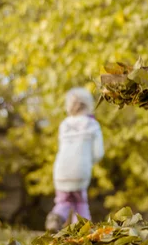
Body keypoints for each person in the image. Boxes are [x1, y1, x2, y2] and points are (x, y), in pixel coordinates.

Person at [45, 87, 104, 232]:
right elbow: (98, 152)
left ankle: (55, 218)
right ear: (88, 105)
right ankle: (83, 229)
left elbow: (62, 148)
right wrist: (89, 161)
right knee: (80, 202)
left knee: (63, 201)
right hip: (80, 170)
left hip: (61, 170)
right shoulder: (92, 125)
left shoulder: (64, 124)